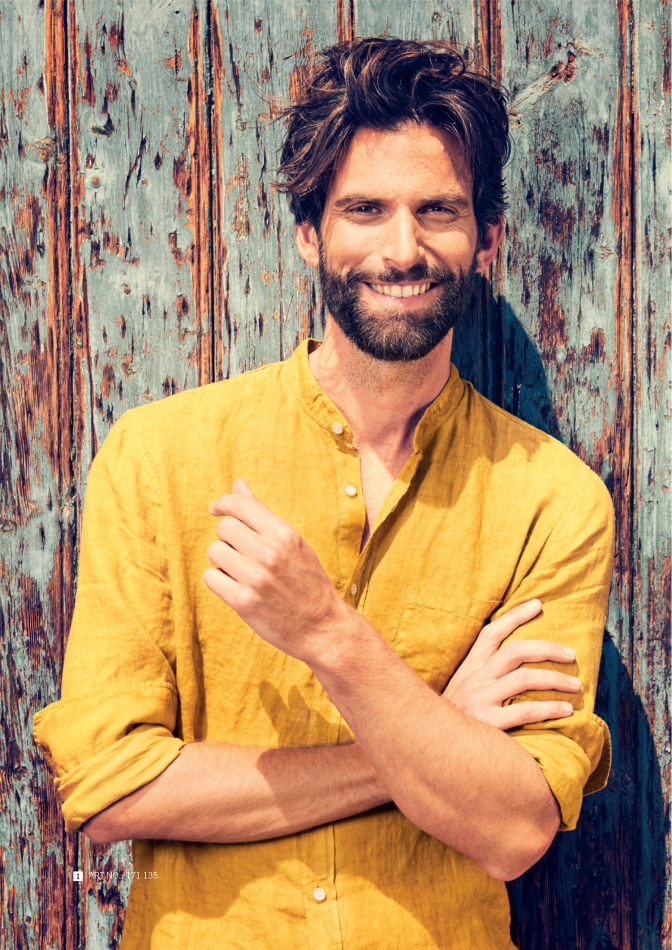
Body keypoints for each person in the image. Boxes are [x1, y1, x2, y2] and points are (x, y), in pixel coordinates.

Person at [33, 37, 614, 949]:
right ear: (310, 233)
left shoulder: (553, 501)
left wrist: (328, 637)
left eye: (438, 211)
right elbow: (108, 788)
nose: (403, 248)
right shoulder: (160, 458)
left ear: (487, 238)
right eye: (365, 210)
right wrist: (428, 736)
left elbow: (512, 829)